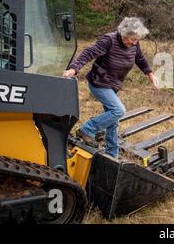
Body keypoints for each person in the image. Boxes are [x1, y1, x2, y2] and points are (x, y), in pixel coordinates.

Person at [62, 17, 159, 158]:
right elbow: (88, 53)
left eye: (137, 40)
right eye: (132, 39)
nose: (134, 43)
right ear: (123, 34)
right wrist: (73, 69)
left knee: (113, 121)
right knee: (118, 110)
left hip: (113, 85)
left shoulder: (134, 44)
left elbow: (140, 59)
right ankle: (87, 129)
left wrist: (150, 74)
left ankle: (111, 154)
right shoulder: (109, 40)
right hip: (99, 83)